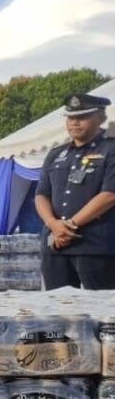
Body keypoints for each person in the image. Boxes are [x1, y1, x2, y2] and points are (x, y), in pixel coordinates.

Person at [35, 92, 115, 290]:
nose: (75, 123)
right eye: (71, 117)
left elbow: (110, 195)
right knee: (58, 310)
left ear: (101, 117)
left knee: (101, 312)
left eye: (83, 117)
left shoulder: (110, 149)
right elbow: (41, 195)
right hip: (56, 245)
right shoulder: (56, 155)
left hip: (94, 246)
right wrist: (53, 224)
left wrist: (69, 225)